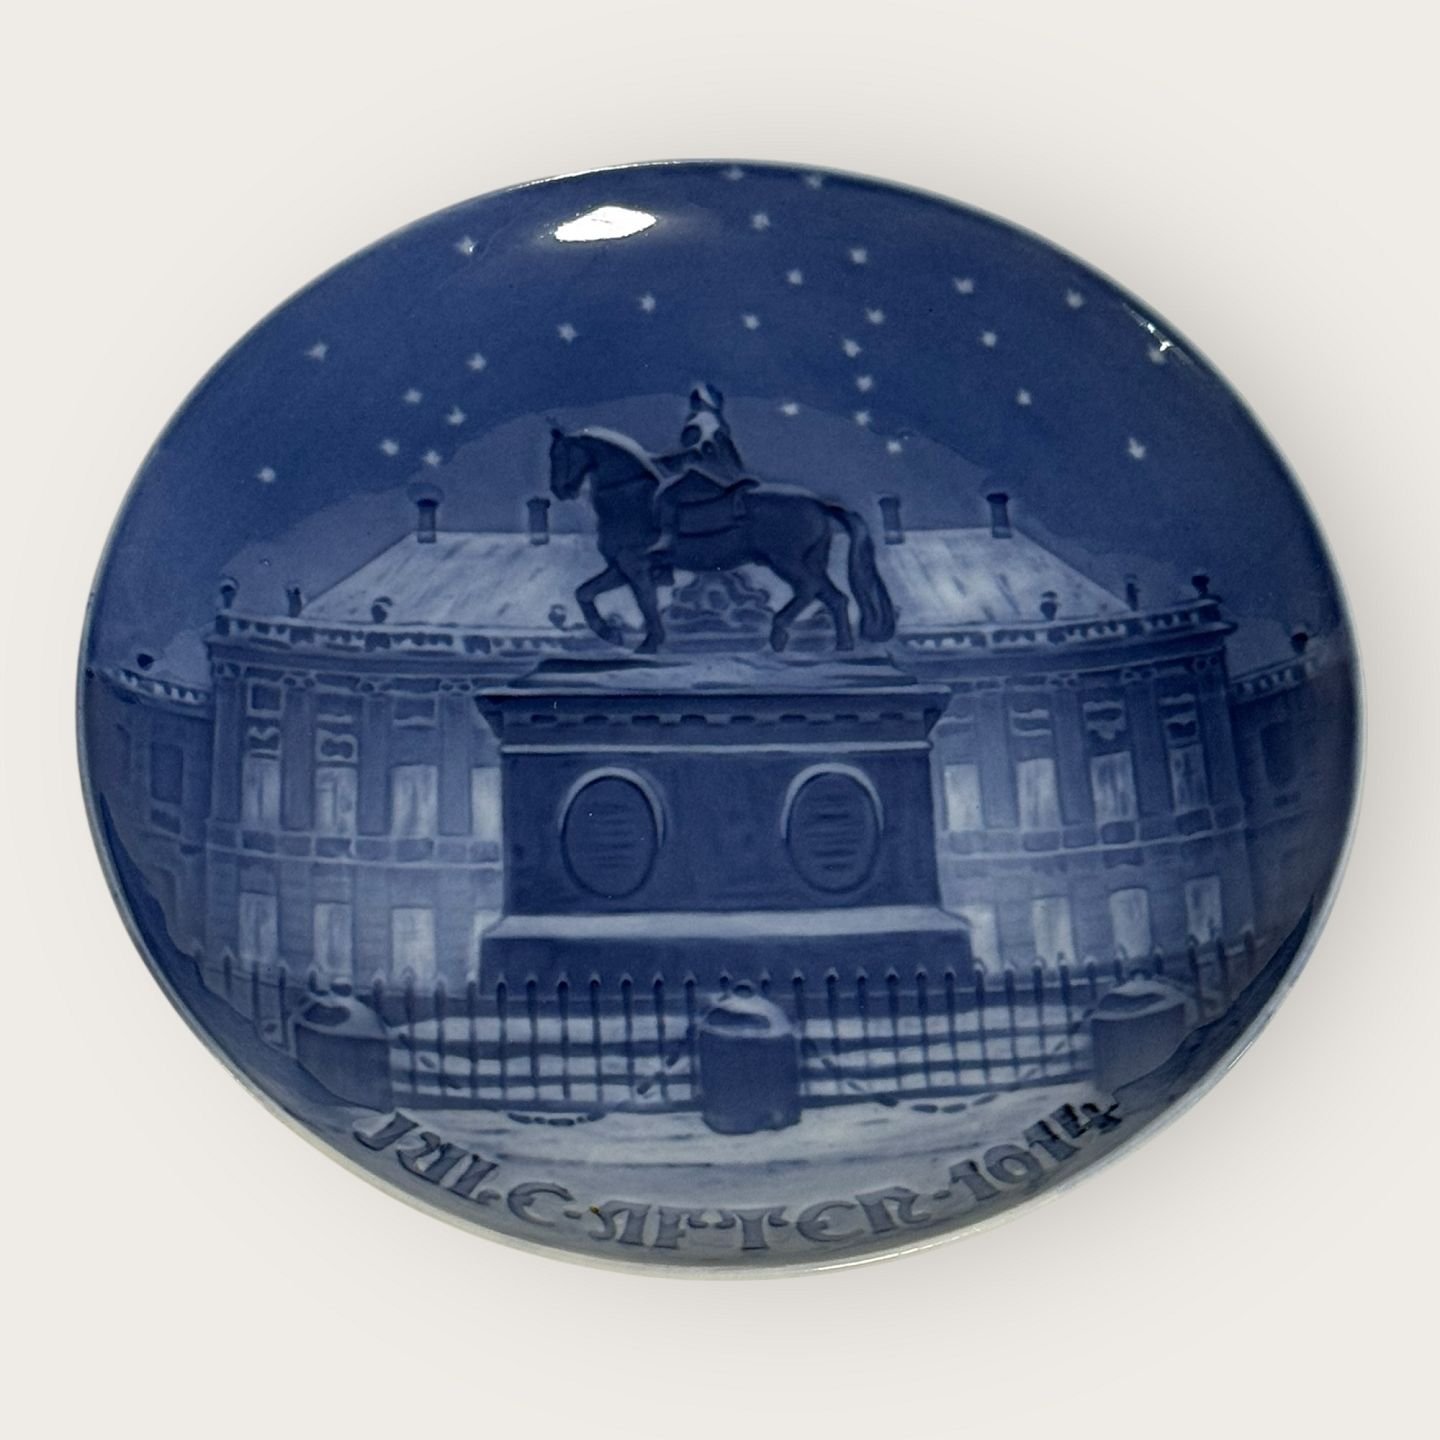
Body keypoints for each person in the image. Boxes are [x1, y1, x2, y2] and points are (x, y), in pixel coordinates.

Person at [650, 385, 755, 553]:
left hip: (707, 476)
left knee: (667, 495)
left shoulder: (700, 422)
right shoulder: (717, 423)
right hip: (727, 478)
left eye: (696, 400)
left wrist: (666, 460)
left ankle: (667, 538)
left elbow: (694, 454)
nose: (693, 403)